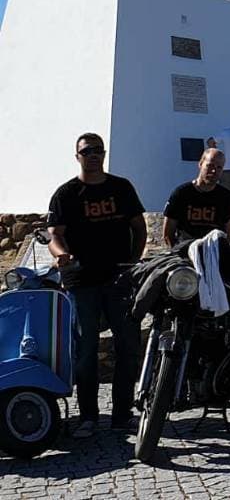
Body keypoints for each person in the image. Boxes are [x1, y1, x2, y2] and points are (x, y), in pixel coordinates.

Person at [46, 133, 147, 438]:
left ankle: (121, 415)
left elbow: (139, 228)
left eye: (98, 150)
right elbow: (55, 235)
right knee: (85, 349)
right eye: (86, 151)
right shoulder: (66, 194)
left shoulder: (122, 188)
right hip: (82, 282)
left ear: (104, 154)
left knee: (128, 346)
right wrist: (62, 255)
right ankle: (88, 416)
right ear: (77, 156)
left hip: (118, 280)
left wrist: (132, 262)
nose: (93, 155)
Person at [163, 148, 230, 246]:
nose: (214, 171)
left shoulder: (227, 197)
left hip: (213, 252)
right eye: (210, 166)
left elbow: (228, 231)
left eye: (219, 167)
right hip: (185, 251)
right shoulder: (181, 193)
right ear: (200, 164)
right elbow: (168, 233)